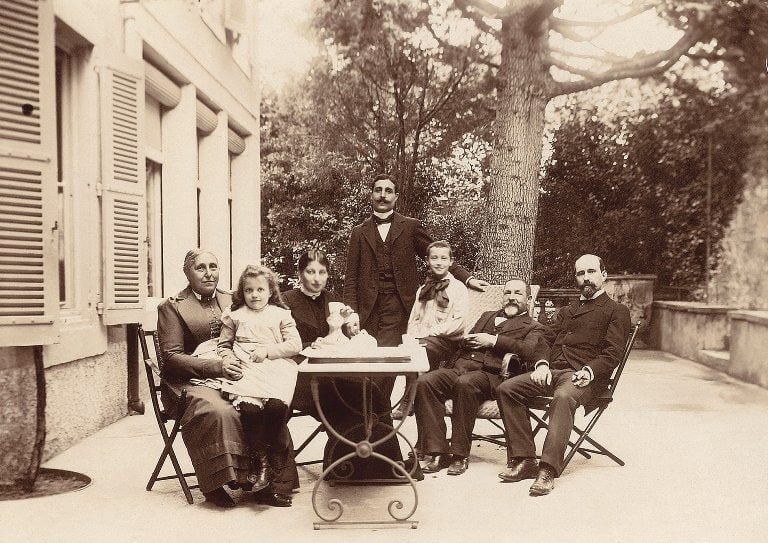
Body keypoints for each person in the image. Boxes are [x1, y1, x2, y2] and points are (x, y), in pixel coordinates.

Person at [157, 250, 298, 509]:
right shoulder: (172, 306)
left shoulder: (234, 298)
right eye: (200, 267)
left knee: (264, 400)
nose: (209, 273)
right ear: (187, 272)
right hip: (190, 379)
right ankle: (216, 483)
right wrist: (217, 367)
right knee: (220, 410)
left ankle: (266, 482)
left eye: (213, 266)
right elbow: (172, 358)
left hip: (238, 371)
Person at [496, 254, 631, 496]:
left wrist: (590, 371)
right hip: (552, 372)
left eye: (591, 272)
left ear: (604, 275)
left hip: (582, 377)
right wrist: (540, 365)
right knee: (507, 389)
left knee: (562, 397)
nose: (586, 278)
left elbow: (613, 353)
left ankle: (547, 469)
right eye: (581, 273)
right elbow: (545, 339)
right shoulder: (567, 311)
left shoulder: (616, 311)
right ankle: (525, 458)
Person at [283, 250, 414, 481]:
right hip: (301, 376)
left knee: (372, 393)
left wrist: (349, 328)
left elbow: (343, 340)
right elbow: (281, 343)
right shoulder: (285, 302)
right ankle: (344, 469)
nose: (316, 278)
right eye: (310, 271)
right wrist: (310, 344)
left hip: (334, 373)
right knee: (345, 405)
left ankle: (387, 467)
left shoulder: (333, 301)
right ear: (299, 273)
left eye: (322, 272)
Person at [413, 278, 547, 476]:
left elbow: (527, 350)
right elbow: (466, 340)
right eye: (507, 293)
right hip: (461, 367)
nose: (511, 297)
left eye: (517, 294)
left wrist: (494, 340)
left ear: (528, 299)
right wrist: (466, 340)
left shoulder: (533, 326)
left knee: (465, 383)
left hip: (492, 375)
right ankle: (438, 452)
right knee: (425, 382)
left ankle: (459, 455)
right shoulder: (487, 315)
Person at [343, 173, 488, 349]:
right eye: (378, 190)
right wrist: (351, 314)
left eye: (388, 191)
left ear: (396, 197)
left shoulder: (410, 226)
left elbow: (438, 254)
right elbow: (350, 278)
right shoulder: (358, 232)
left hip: (399, 306)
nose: (383, 195)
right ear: (371, 195)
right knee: (366, 357)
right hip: (368, 308)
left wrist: (468, 278)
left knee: (390, 358)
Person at [216, 264, 302, 506]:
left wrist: (269, 351)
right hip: (247, 370)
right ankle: (261, 462)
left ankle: (274, 457)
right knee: (251, 411)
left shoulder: (280, 315)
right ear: (241, 293)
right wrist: (229, 359)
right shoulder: (235, 316)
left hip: (274, 368)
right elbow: (223, 346)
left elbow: (295, 344)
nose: (254, 295)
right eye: (248, 290)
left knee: (275, 409)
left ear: (271, 291)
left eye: (260, 290)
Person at [407, 240, 468, 370]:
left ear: (451, 261)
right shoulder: (423, 289)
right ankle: (413, 387)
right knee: (410, 350)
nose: (439, 263)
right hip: (423, 340)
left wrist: (430, 332)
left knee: (421, 349)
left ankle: (424, 384)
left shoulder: (458, 288)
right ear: (427, 260)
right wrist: (411, 338)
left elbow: (459, 323)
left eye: (444, 258)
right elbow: (413, 319)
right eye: (434, 258)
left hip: (449, 342)